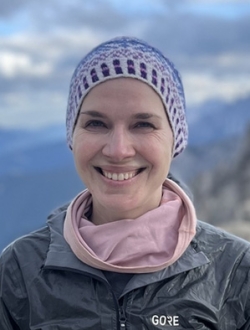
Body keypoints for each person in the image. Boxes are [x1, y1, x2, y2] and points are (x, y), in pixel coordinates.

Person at [0, 36, 249, 330]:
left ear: (175, 139)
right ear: (72, 135)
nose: (118, 150)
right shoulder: (19, 270)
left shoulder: (236, 272)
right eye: (96, 123)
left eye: (143, 124)